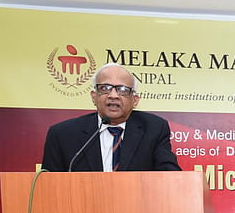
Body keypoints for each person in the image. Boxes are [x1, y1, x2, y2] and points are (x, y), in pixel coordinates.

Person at [42, 63, 181, 172]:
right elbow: (48, 186)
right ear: (94, 96)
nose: (113, 95)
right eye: (105, 88)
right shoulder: (62, 134)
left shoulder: (154, 129)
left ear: (135, 100)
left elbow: (170, 176)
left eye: (122, 90)